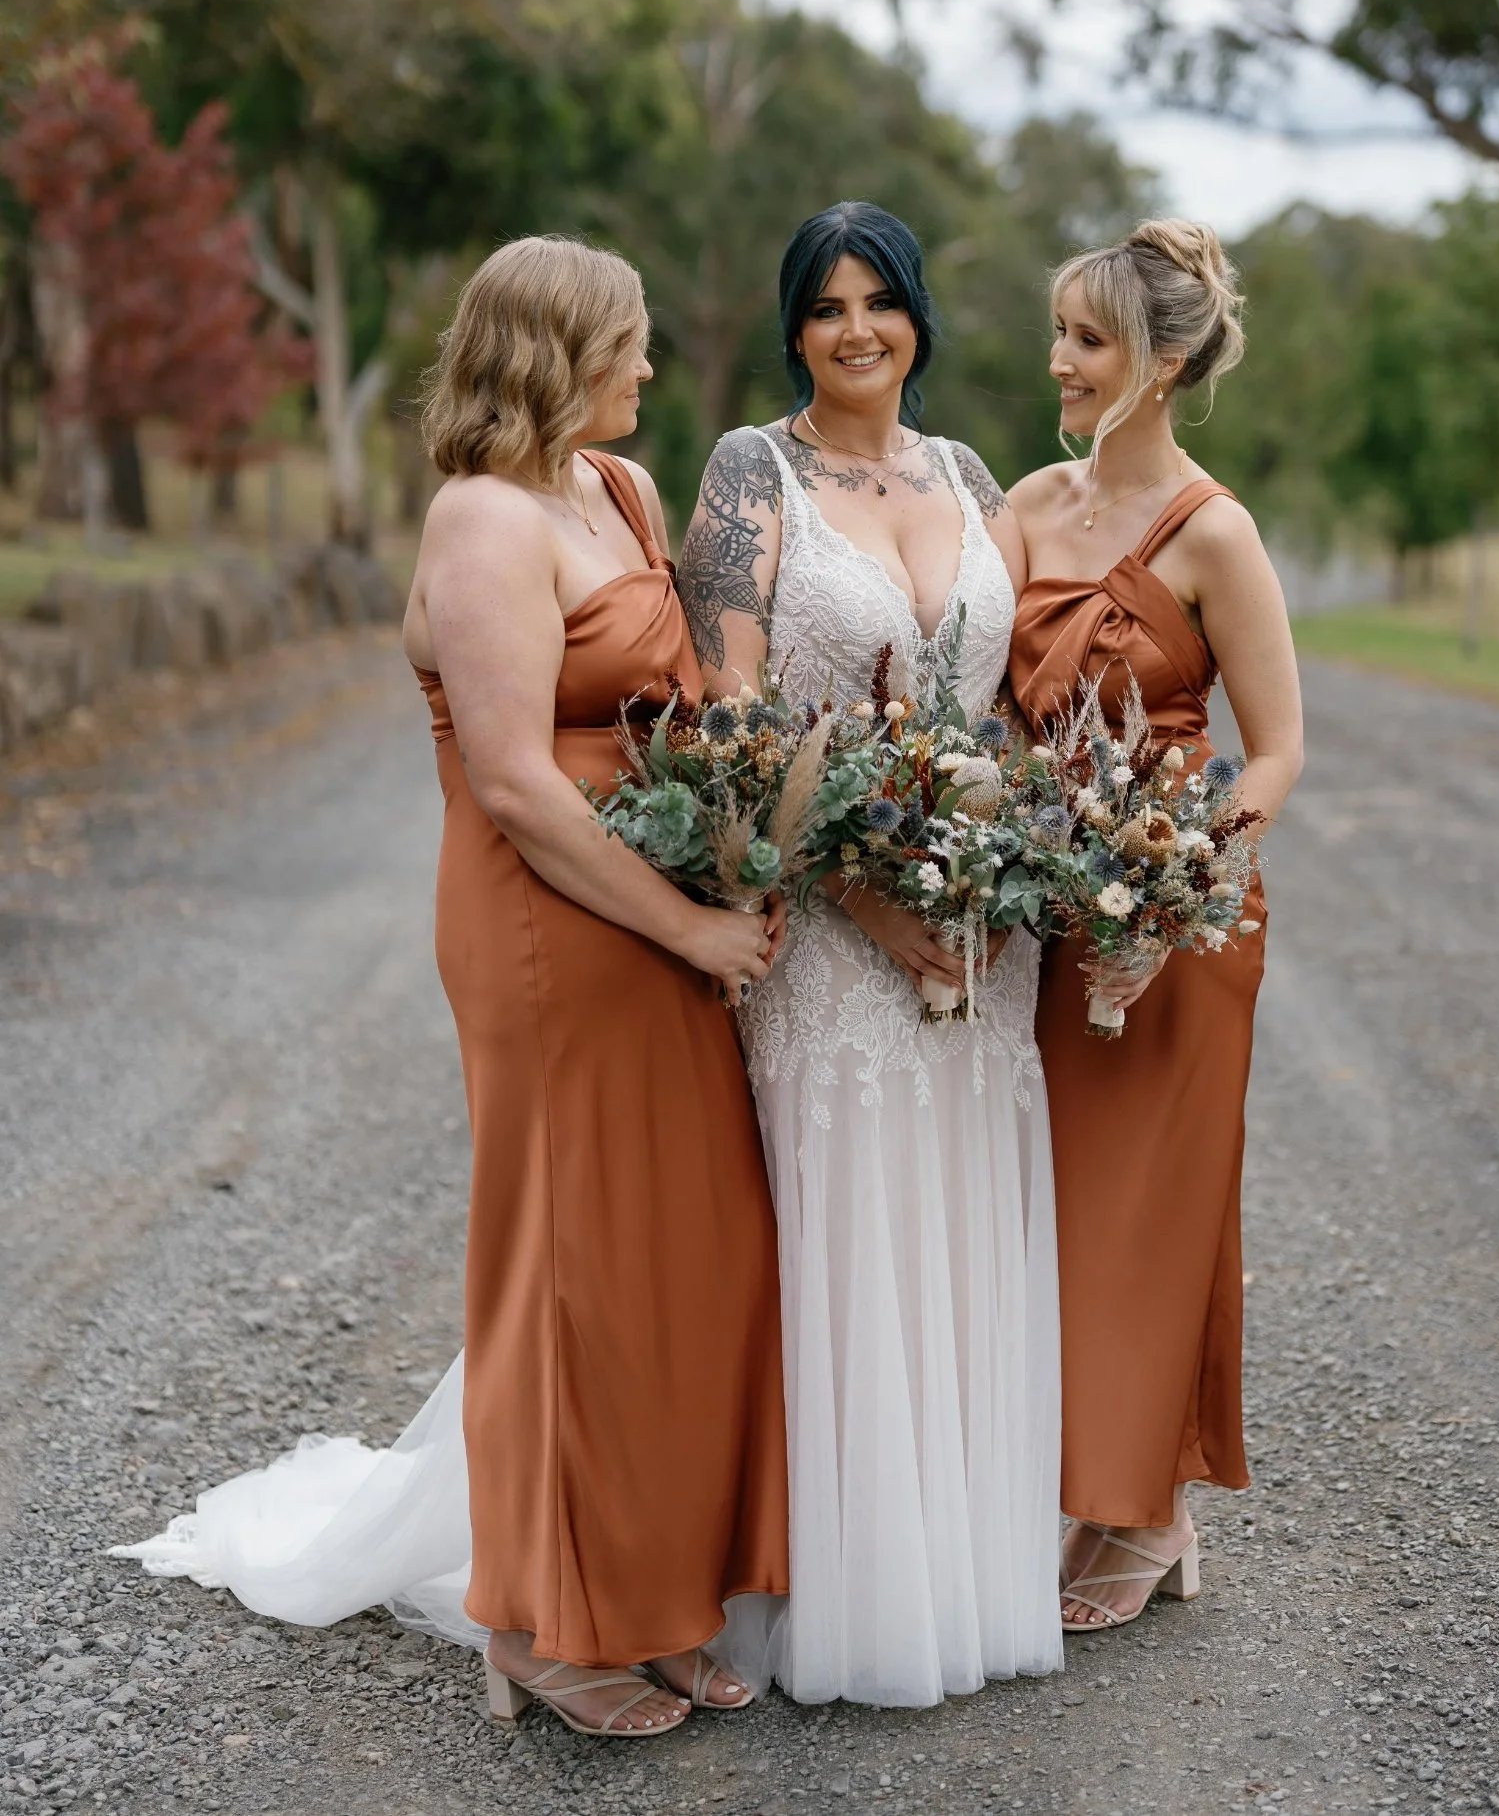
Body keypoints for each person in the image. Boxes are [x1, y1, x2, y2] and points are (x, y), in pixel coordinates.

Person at [116, 237, 789, 1742]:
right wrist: (685, 936)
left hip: (659, 891)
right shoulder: (483, 523)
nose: (650, 368)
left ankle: (657, 1592)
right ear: (553, 353)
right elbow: (515, 786)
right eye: (628, 341)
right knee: (569, 1269)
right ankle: (541, 1619)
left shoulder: (615, 492)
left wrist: (741, 851)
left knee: (692, 1252)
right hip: (551, 924)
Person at [679, 201, 1063, 1708]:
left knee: (961, 1220)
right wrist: (866, 896)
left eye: (880, 300)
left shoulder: (969, 476)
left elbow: (1011, 711)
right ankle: (835, 1594)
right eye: (826, 306)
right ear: (794, 327)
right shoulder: (746, 474)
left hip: (984, 930)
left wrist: (1030, 859)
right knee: (847, 1236)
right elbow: (732, 729)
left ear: (915, 316)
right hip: (832, 946)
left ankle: (962, 1570)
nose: (856, 330)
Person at [1006, 218, 1304, 1632]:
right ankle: (1090, 1483)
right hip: (1035, 918)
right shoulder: (1019, 508)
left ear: (1166, 360)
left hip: (1171, 924)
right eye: (1059, 334)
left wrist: (1181, 888)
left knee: (1151, 1213)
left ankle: (1144, 1514)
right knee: (1054, 1211)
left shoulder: (1214, 533)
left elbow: (1277, 752)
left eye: (1088, 340)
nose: (1057, 362)